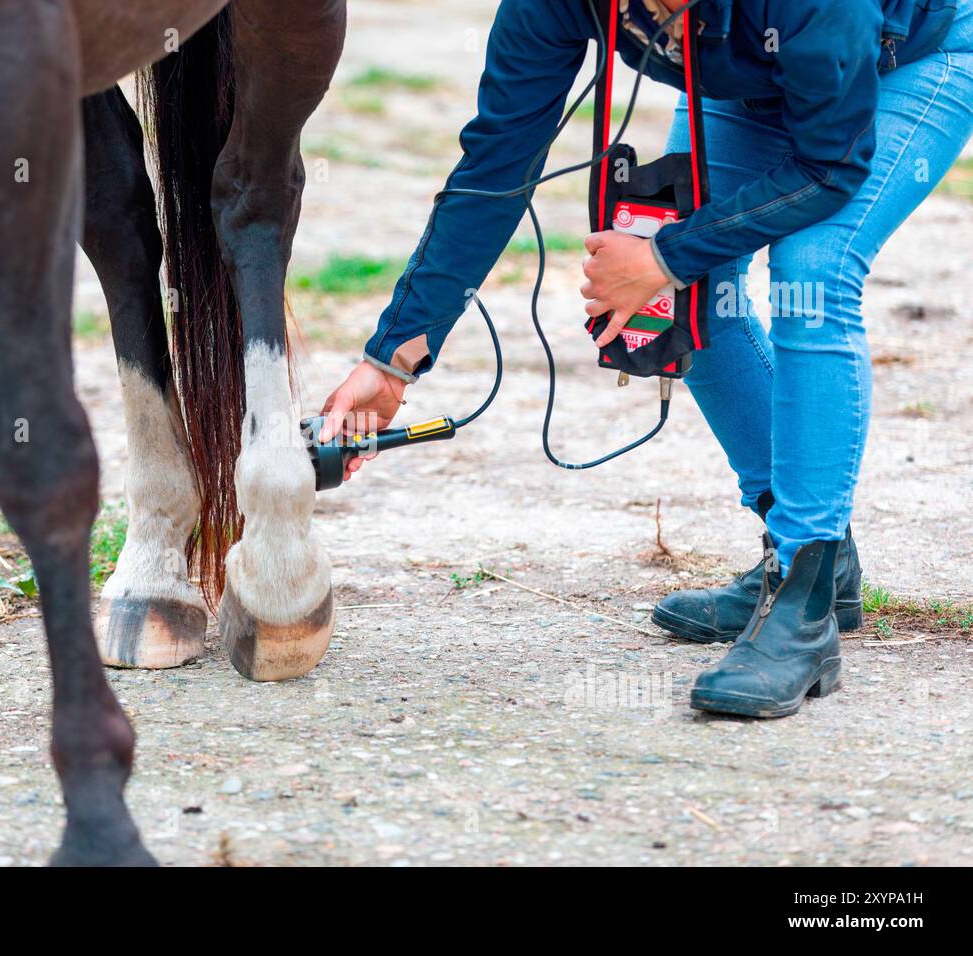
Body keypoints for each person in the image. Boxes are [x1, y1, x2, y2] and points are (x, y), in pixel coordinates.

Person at [318, 0, 972, 718]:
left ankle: (804, 602)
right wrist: (393, 359)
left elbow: (831, 163)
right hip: (750, 79)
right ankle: (812, 561)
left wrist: (664, 255)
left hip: (909, 61)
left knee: (812, 269)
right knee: (691, 296)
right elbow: (497, 161)